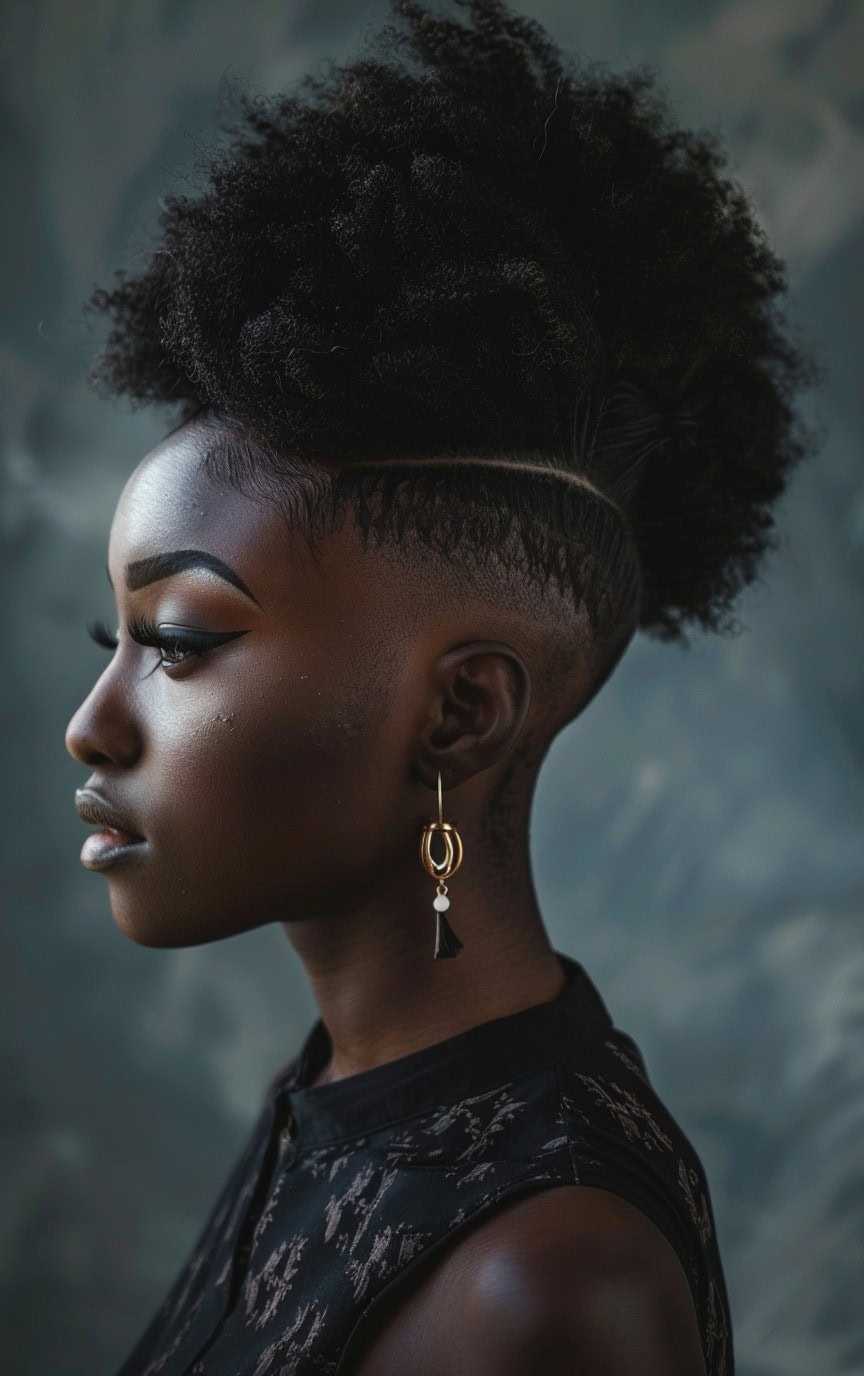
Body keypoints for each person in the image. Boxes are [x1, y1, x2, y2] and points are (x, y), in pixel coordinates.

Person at [65, 1, 818, 1372]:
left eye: (175, 641)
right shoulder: (339, 1096)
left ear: (463, 711)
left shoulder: (546, 1283)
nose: (94, 722)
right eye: (107, 644)